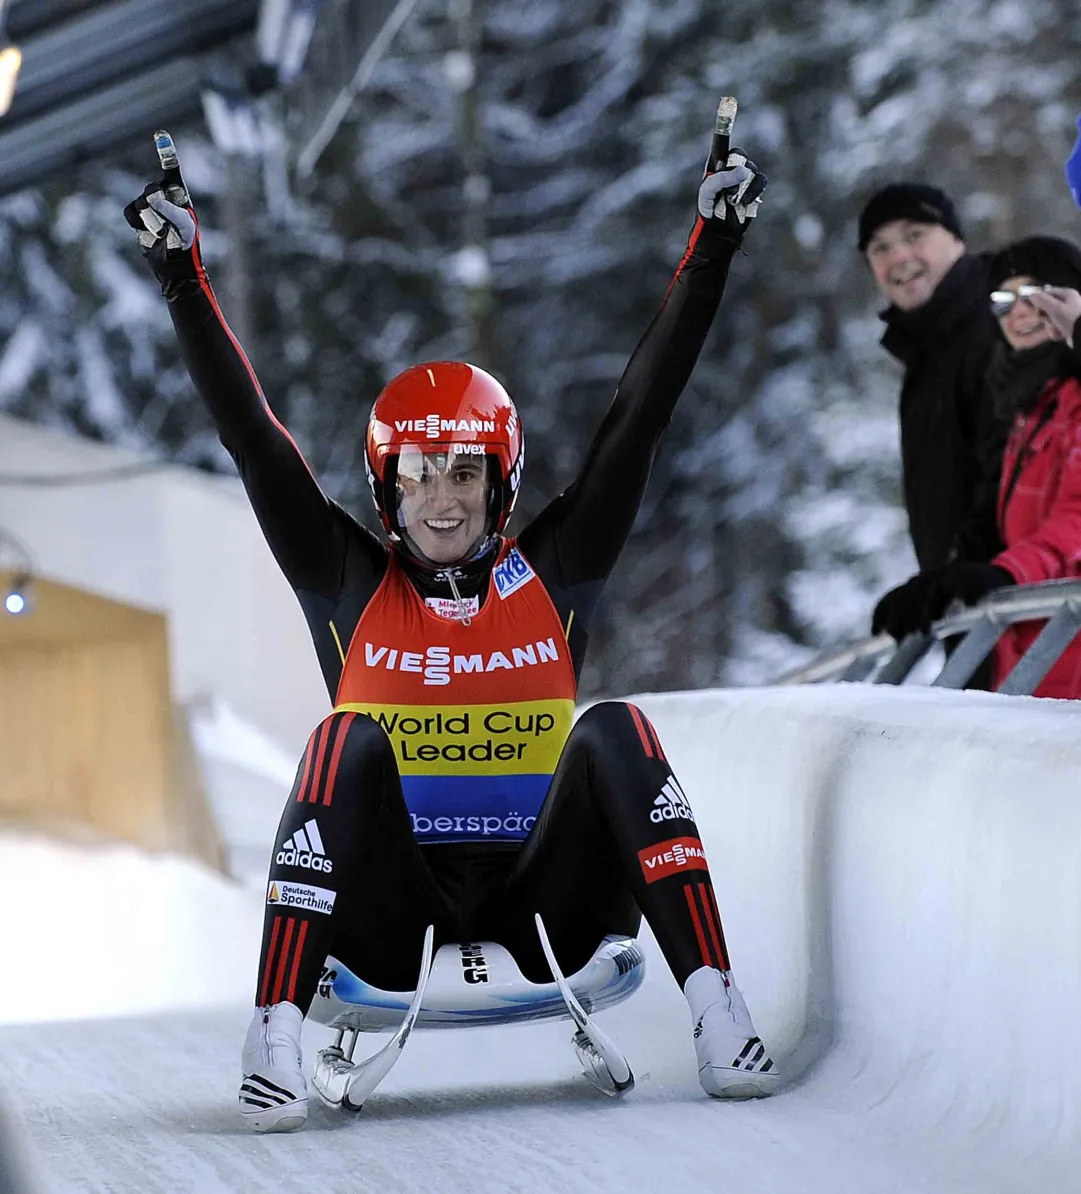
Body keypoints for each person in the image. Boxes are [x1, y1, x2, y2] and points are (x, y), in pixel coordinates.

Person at [124, 133, 778, 1131]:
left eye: (463, 473)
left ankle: (718, 1011)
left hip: (545, 907)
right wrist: (182, 279)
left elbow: (637, 418)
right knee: (344, 738)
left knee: (613, 727)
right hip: (390, 915)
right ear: (387, 492)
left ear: (498, 484)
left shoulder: (551, 571)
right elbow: (253, 440)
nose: (441, 500)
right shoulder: (348, 579)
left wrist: (710, 250)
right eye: (418, 475)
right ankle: (272, 1038)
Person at [869, 236, 1081, 698]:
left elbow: (1076, 521)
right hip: (1037, 652)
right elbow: (1000, 517)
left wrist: (1005, 574)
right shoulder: (1028, 404)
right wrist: (945, 578)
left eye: (1034, 294)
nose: (1019, 312)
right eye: (1004, 300)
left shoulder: (1074, 398)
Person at [859, 183, 1007, 643]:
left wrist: (960, 570)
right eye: (880, 248)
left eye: (914, 235)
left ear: (956, 238)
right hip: (976, 613)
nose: (898, 256)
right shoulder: (926, 355)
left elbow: (1013, 467)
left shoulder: (999, 326)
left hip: (1023, 604)